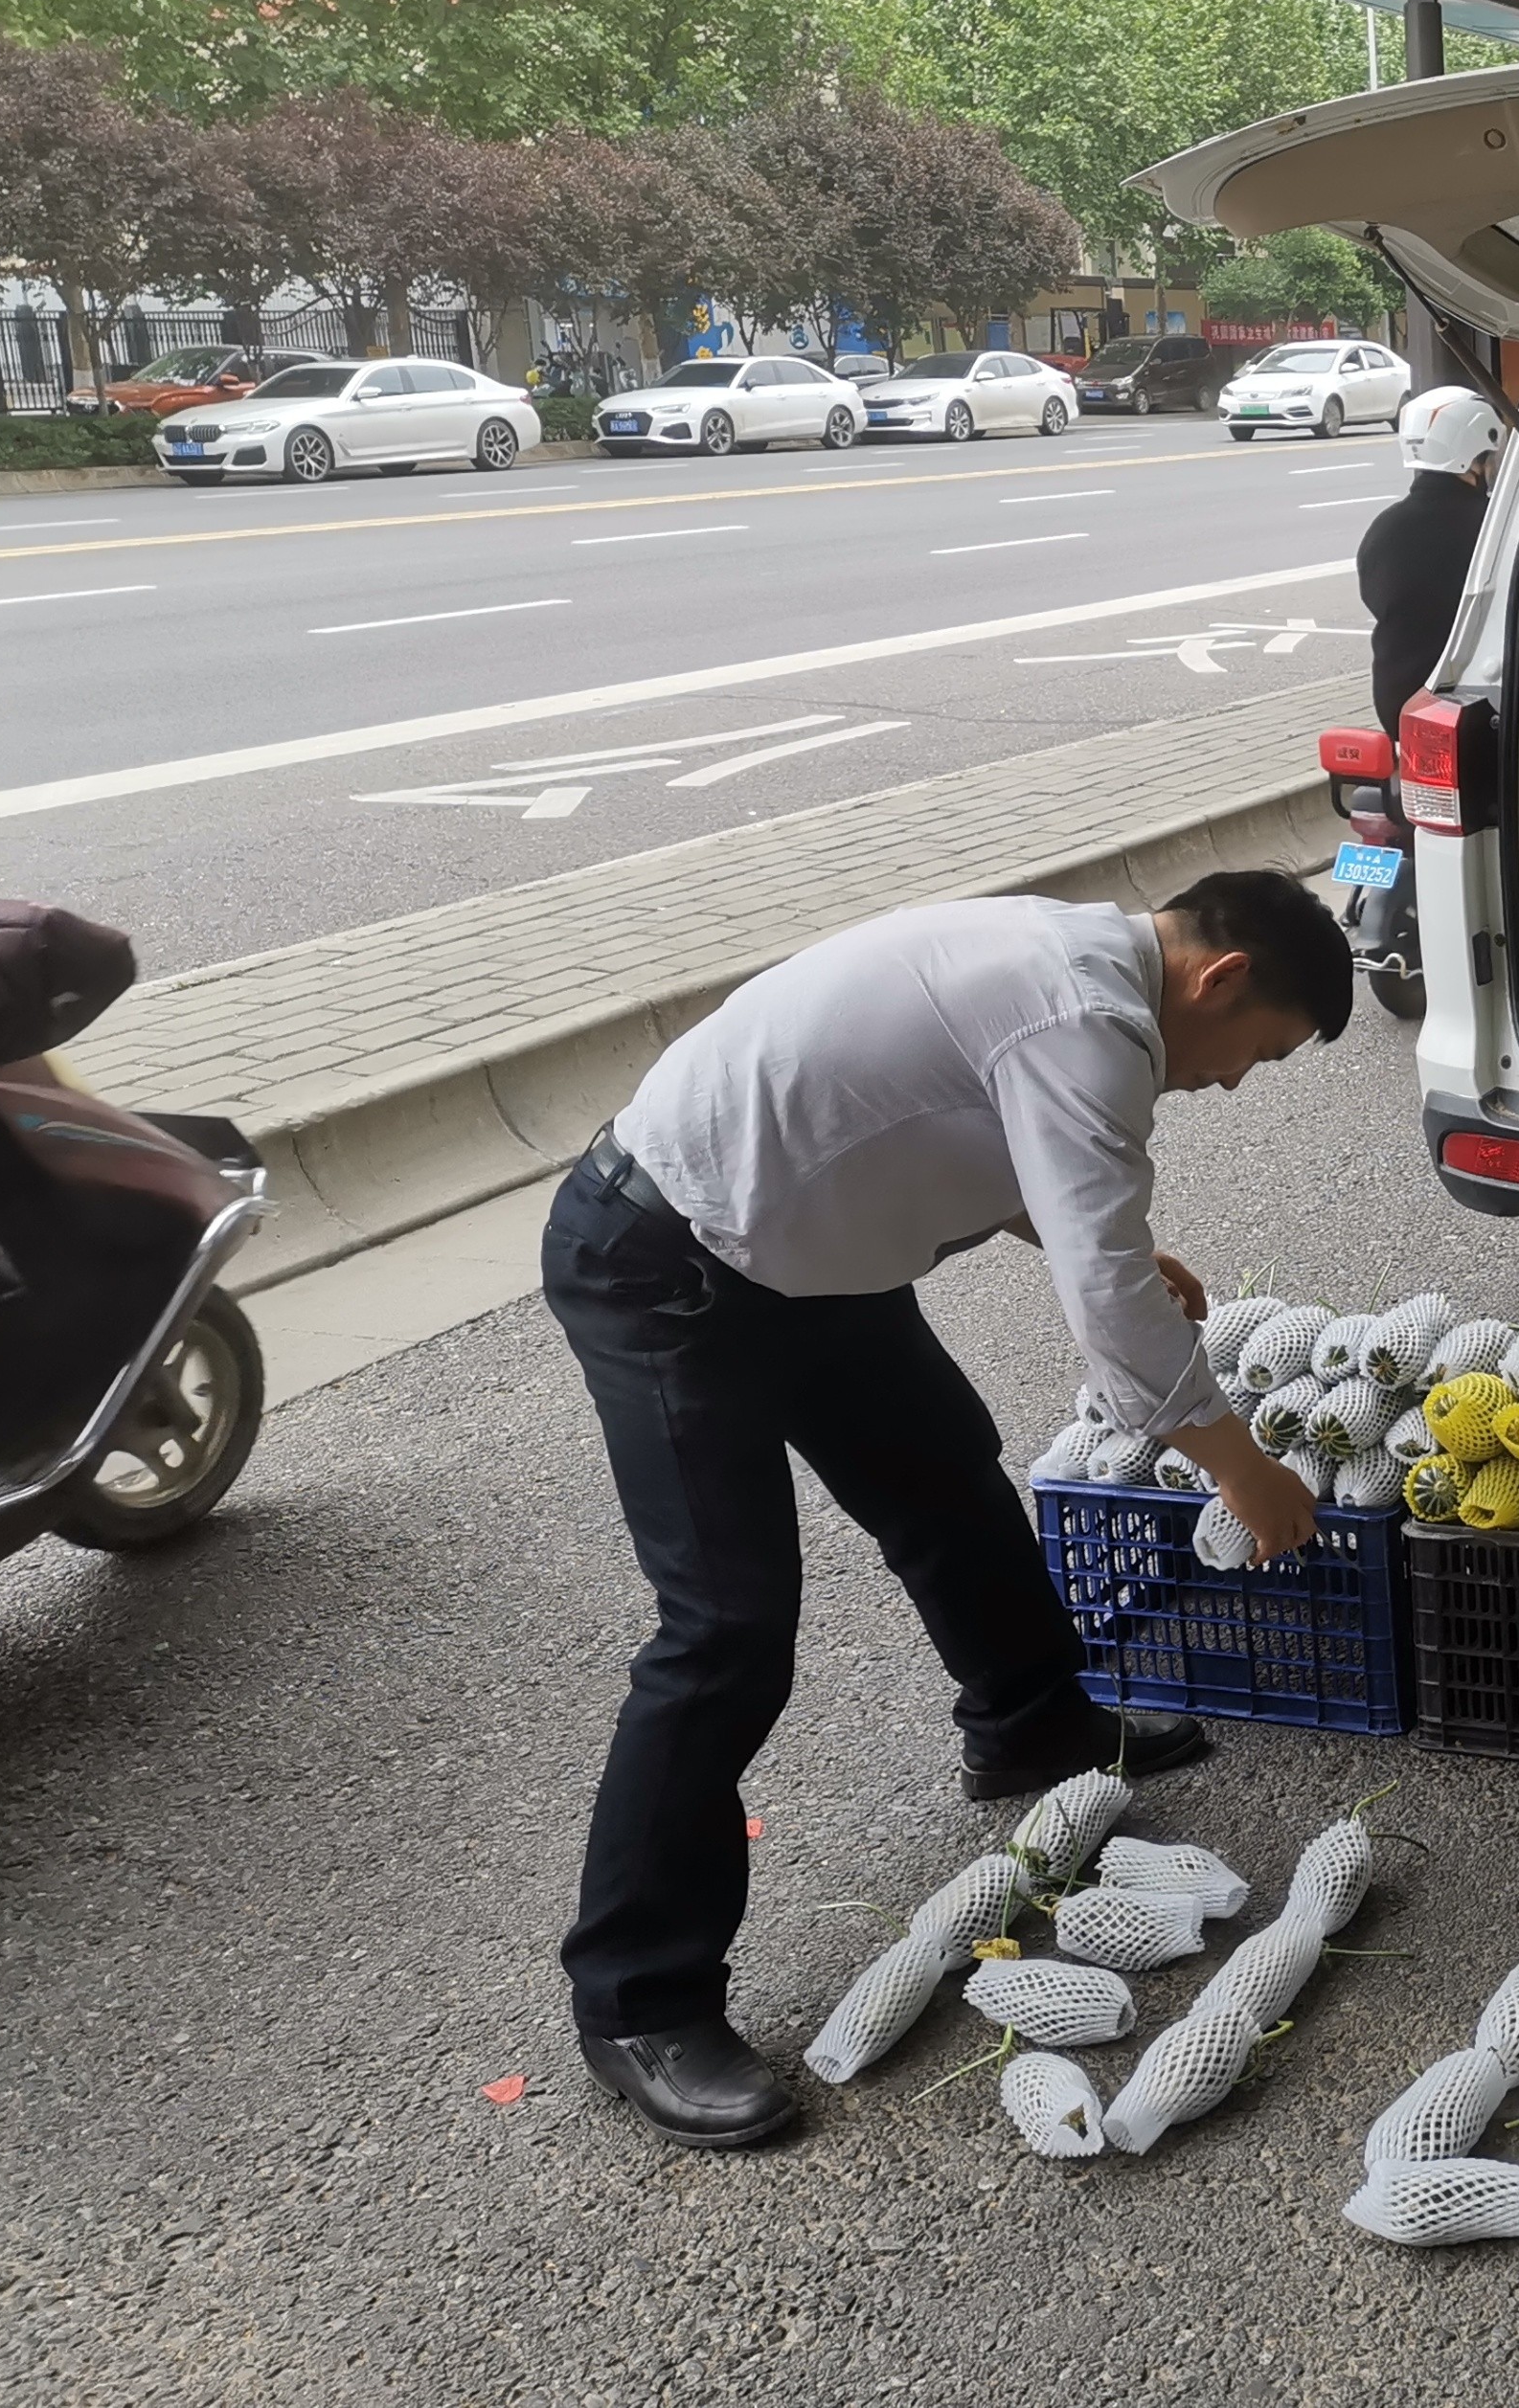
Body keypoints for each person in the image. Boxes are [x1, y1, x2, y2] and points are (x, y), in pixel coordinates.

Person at [544, 868, 1351, 2149]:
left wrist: (1117, 1254)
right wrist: (1241, 1469)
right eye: (1250, 1056)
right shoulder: (1087, 1023)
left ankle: (1032, 1728)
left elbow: (983, 1133)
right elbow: (1111, 1316)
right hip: (668, 1261)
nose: (1227, 1084)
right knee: (726, 1628)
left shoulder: (1080, 967)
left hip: (802, 1256)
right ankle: (637, 2001)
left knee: (944, 1479)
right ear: (1222, 979)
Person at [1359, 384, 1506, 736]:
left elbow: (1378, 601)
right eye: (1491, 456)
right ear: (1473, 460)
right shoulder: (1495, 527)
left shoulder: (1384, 528)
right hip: (1476, 713)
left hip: (1399, 706)